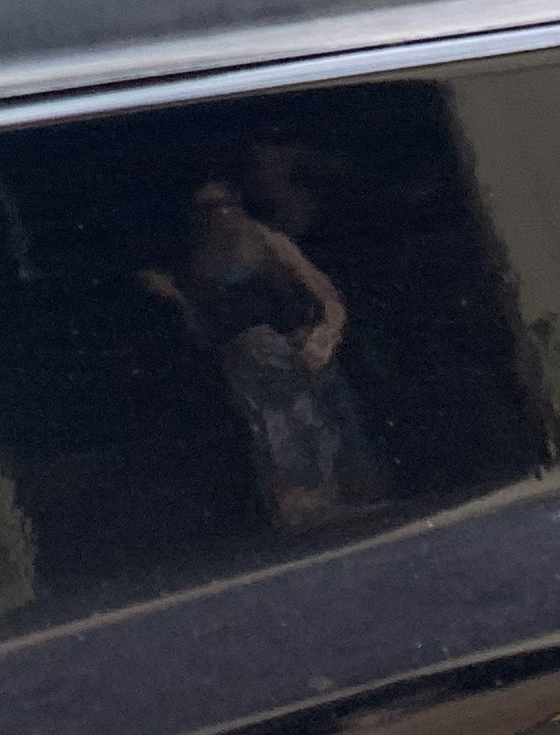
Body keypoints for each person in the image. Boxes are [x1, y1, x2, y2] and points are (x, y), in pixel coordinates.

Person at [139, 176, 383, 530]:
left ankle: (343, 496)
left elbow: (327, 296)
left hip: (295, 353)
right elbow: (208, 329)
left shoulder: (265, 241)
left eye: (227, 203)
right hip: (248, 367)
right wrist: (177, 298)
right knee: (274, 434)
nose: (222, 214)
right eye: (209, 209)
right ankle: (302, 506)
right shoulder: (201, 261)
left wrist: (325, 336)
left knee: (318, 422)